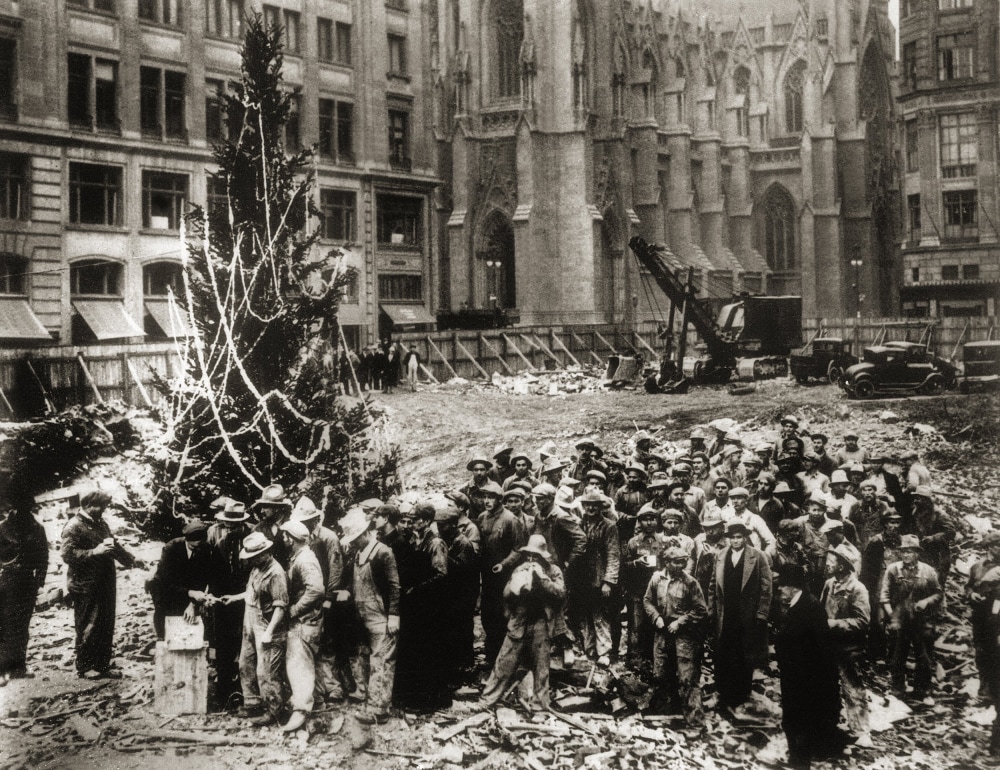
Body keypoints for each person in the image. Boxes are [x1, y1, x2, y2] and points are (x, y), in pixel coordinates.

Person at [480, 535, 566, 711]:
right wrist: (518, 582)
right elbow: (506, 595)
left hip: (542, 621)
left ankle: (539, 707)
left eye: (536, 557)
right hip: (520, 620)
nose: (532, 560)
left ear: (543, 556)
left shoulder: (553, 570)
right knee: (504, 662)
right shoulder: (520, 569)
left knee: (541, 668)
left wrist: (542, 579)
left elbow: (560, 593)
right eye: (529, 556)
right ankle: (487, 700)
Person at [62, 488, 139, 680]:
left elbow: (113, 546)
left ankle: (102, 665)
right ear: (87, 506)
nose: (103, 509)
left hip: (105, 582)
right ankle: (85, 666)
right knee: (88, 625)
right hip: (85, 585)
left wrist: (131, 560)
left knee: (106, 624)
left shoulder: (101, 523)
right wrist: (94, 552)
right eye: (100, 506)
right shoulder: (73, 526)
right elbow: (67, 555)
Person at [774, 563, 846, 769]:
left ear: (794, 587)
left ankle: (799, 761)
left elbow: (818, 647)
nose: (779, 589)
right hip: (798, 674)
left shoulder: (809, 607)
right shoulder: (800, 604)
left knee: (798, 718)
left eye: (783, 586)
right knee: (797, 717)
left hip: (804, 677)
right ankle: (799, 756)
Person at [340, 507, 400, 724]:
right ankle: (368, 696)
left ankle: (378, 709)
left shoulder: (383, 552)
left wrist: (394, 615)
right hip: (363, 615)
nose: (354, 543)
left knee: (381, 662)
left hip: (381, 617)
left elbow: (394, 586)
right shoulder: (357, 554)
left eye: (356, 539)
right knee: (366, 657)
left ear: (366, 533)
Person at [708, 521, 772, 716]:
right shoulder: (720, 555)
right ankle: (722, 692)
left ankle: (742, 694)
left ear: (745, 538)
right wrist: (712, 609)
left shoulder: (758, 556)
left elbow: (766, 588)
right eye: (732, 537)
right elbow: (712, 584)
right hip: (724, 613)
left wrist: (761, 613)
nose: (736, 541)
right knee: (723, 651)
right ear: (728, 539)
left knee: (744, 652)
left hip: (747, 615)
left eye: (739, 537)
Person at [289, 496, 348, 705]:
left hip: (324, 597)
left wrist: (329, 598)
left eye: (307, 521)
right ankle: (316, 690)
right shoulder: (301, 539)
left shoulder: (328, 537)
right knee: (310, 644)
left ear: (315, 519)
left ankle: (333, 687)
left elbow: (335, 569)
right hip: (309, 598)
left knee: (327, 643)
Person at [394, 502, 450, 712]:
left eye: (416, 519)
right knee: (417, 650)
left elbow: (441, 575)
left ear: (426, 521)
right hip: (418, 605)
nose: (412, 523)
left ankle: (431, 700)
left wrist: (416, 589)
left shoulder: (435, 543)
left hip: (431, 605)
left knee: (429, 650)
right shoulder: (415, 540)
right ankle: (416, 697)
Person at [643, 546, 708, 725]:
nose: (681, 565)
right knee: (660, 673)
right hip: (662, 631)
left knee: (687, 676)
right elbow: (647, 601)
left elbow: (701, 609)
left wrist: (680, 622)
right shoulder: (657, 579)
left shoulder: (690, 582)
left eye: (684, 562)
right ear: (667, 563)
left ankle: (695, 719)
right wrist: (656, 617)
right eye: (677, 562)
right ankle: (663, 714)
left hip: (684, 635)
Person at [880, 534, 942, 702]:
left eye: (910, 552)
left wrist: (926, 602)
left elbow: (938, 593)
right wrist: (892, 616)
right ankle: (897, 689)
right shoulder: (893, 569)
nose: (906, 555)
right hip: (900, 618)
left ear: (917, 553)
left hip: (922, 619)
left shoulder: (928, 571)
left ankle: (923, 690)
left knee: (924, 655)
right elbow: (884, 596)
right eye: (903, 552)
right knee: (897, 654)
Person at [235, 532, 289, 726]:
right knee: (245, 662)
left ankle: (274, 711)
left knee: (266, 671)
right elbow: (252, 592)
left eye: (256, 556)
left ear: (266, 553)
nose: (253, 560)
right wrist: (233, 598)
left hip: (267, 625)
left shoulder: (276, 573)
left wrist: (269, 632)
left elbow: (280, 606)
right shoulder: (256, 568)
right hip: (250, 621)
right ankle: (252, 703)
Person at [821, 544, 873, 747]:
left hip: (849, 648)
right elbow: (821, 609)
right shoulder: (829, 584)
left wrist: (834, 624)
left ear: (842, 566)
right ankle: (830, 725)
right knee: (827, 686)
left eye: (831, 561)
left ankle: (861, 731)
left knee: (852, 688)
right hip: (828, 645)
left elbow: (862, 622)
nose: (827, 564)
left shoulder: (858, 589)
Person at [278, 519, 325, 733]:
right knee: (304, 663)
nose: (284, 539)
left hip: (304, 621)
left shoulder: (305, 560)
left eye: (286, 536)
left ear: (293, 538)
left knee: (299, 666)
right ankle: (314, 703)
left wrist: (294, 610)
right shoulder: (300, 557)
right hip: (305, 620)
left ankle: (301, 710)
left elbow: (316, 590)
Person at [206, 499, 252, 708]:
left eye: (235, 525)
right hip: (224, 601)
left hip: (248, 599)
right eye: (228, 525)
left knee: (247, 645)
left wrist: (242, 595)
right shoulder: (221, 544)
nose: (231, 529)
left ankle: (247, 692)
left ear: (242, 523)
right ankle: (223, 692)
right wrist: (215, 598)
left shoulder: (254, 539)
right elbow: (214, 574)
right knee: (224, 645)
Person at [0, 488, 48, 683]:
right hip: (5, 582)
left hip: (27, 583)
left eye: (28, 508)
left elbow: (44, 557)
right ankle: (2, 670)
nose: (25, 511)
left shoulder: (37, 528)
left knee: (22, 627)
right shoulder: (2, 528)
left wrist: (39, 581)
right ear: (13, 508)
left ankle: (19, 667)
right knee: (3, 625)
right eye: (20, 508)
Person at [149, 520, 226, 641]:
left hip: (189, 587)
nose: (196, 549)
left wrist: (193, 603)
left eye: (199, 546)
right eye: (193, 547)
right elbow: (168, 581)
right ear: (186, 540)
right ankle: (162, 639)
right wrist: (191, 593)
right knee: (166, 617)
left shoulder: (206, 550)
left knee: (188, 621)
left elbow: (202, 579)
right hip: (164, 588)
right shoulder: (171, 549)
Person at [478, 482, 528, 665]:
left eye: (491, 497)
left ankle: (505, 658)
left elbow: (519, 549)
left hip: (504, 577)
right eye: (484, 497)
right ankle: (491, 655)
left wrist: (504, 564)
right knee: (487, 615)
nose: (486, 501)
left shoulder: (510, 519)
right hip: (487, 576)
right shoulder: (482, 517)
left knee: (504, 615)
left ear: (500, 500)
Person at [572, 491, 620, 663]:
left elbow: (614, 555)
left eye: (595, 505)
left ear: (600, 507)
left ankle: (604, 652)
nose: (591, 508)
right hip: (581, 578)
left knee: (600, 616)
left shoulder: (609, 526)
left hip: (599, 578)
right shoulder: (578, 524)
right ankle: (589, 649)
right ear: (583, 506)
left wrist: (609, 581)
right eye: (587, 505)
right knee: (583, 615)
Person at [435, 499, 479, 685]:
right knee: (452, 630)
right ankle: (455, 666)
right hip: (453, 594)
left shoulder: (463, 543)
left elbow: (462, 569)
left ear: (452, 525)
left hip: (464, 594)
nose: (439, 528)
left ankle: (466, 667)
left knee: (463, 630)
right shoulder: (448, 540)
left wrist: (444, 558)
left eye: (442, 525)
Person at [623, 507, 668, 669]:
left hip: (658, 591)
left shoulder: (664, 541)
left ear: (658, 521)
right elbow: (625, 565)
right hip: (638, 590)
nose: (649, 523)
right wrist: (636, 563)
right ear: (640, 522)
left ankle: (654, 660)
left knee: (656, 623)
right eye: (645, 519)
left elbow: (669, 564)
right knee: (636, 625)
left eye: (653, 519)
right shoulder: (633, 542)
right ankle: (635, 661)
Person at [966, 532, 1000, 703]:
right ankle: (984, 689)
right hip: (981, 616)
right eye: (997, 545)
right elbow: (969, 587)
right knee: (981, 652)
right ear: (989, 547)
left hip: (998, 616)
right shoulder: (977, 567)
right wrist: (972, 596)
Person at [910, 487, 955, 583]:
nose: (916, 501)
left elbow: (951, 532)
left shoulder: (939, 514)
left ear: (927, 500)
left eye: (919, 498)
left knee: (936, 582)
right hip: (922, 552)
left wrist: (933, 538)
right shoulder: (916, 511)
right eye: (916, 498)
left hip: (938, 554)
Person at [252, 484, 293, 569]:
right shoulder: (258, 529)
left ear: (276, 508)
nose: (262, 511)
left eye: (265, 507)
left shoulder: (292, 527)